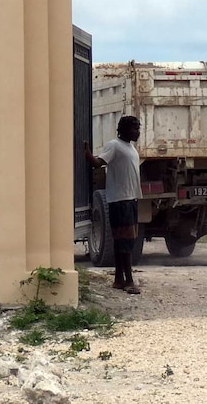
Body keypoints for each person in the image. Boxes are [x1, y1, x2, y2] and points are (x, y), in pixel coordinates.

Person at [84, 115, 143, 295]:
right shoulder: (114, 145)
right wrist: (87, 152)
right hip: (120, 200)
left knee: (125, 241)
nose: (137, 132)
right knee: (124, 242)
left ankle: (119, 279)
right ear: (123, 129)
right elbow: (98, 164)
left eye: (138, 128)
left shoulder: (130, 147)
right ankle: (129, 281)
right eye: (134, 128)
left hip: (130, 199)